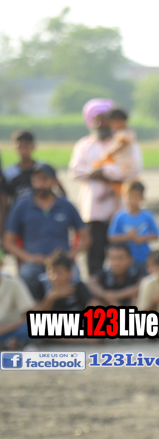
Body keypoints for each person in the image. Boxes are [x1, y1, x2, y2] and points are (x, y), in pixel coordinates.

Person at [70, 98, 142, 275]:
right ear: (90, 121)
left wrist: (104, 172)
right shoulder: (83, 145)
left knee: (120, 257)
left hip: (118, 211)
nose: (101, 123)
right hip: (93, 212)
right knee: (94, 257)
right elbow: (75, 171)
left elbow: (134, 169)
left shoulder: (124, 142)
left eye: (104, 119)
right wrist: (95, 172)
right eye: (97, 119)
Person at [4, 164, 88, 300]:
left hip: (61, 261)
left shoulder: (66, 206)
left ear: (54, 181)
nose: (40, 184)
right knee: (26, 277)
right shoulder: (22, 206)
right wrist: (28, 257)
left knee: (75, 278)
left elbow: (86, 237)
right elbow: (8, 242)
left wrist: (71, 255)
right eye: (36, 180)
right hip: (34, 262)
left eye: (44, 179)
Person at [107, 181, 159, 267]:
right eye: (129, 196)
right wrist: (127, 237)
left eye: (136, 196)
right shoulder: (119, 217)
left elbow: (156, 235)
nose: (132, 200)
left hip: (144, 257)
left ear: (142, 198)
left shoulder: (147, 216)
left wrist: (142, 238)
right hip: (125, 260)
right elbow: (111, 237)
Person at [87, 242, 144, 307]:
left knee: (136, 298)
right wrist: (105, 295)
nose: (117, 263)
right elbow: (91, 283)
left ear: (130, 259)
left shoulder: (135, 272)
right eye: (113, 258)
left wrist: (117, 295)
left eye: (120, 258)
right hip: (110, 308)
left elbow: (141, 285)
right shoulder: (106, 273)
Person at [4, 130, 52, 204]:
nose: (23, 151)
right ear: (15, 147)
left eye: (26, 147)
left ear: (33, 146)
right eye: (20, 147)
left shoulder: (43, 169)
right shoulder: (9, 173)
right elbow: (4, 199)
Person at [0, 267, 34, 349]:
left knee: (34, 326)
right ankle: (9, 343)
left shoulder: (14, 284)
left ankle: (13, 342)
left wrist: (6, 328)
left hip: (14, 328)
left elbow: (28, 314)